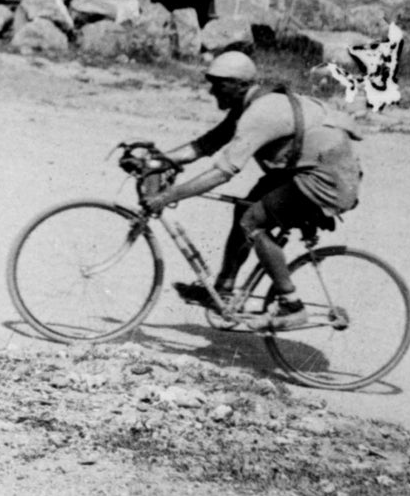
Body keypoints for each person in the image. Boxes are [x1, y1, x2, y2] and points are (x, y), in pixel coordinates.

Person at [141, 49, 364, 325]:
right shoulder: (247, 105)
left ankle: (291, 305)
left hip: (326, 180)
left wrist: (167, 196)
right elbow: (206, 145)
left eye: (219, 84)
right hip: (307, 170)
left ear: (241, 85)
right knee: (245, 209)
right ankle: (224, 288)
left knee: (252, 221)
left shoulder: (259, 113)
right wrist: (158, 161)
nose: (212, 92)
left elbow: (223, 173)